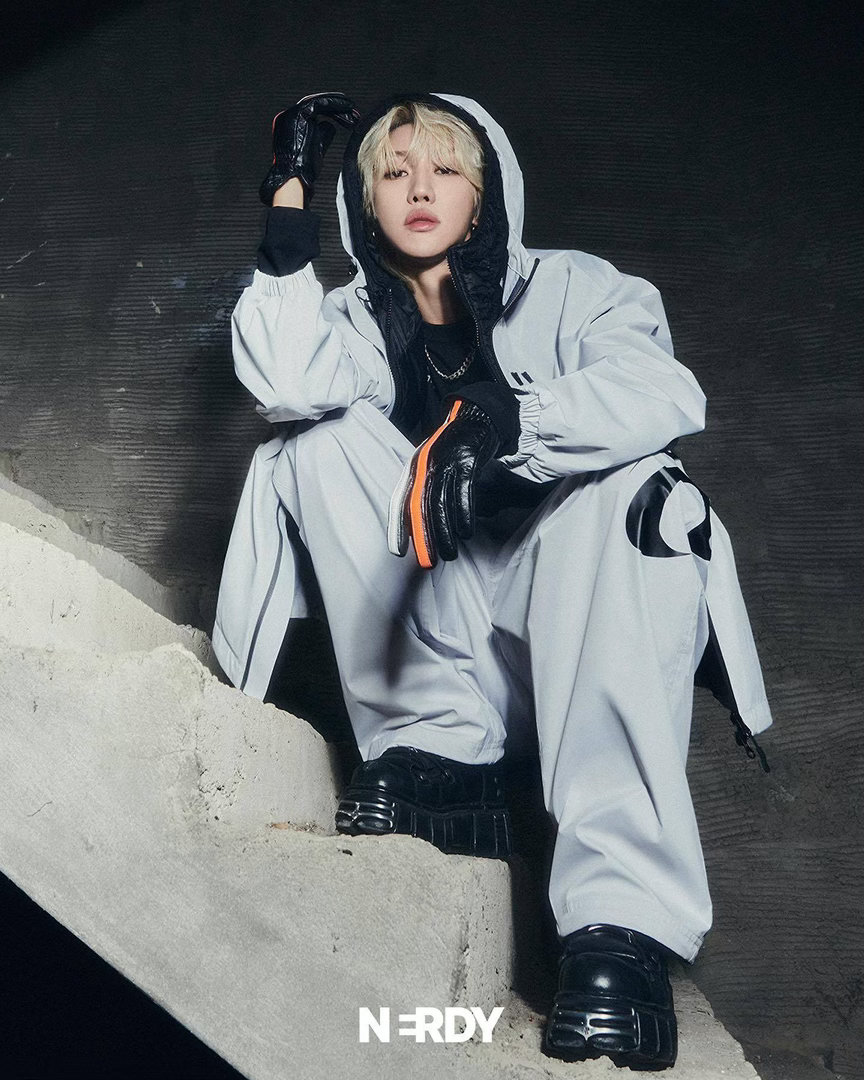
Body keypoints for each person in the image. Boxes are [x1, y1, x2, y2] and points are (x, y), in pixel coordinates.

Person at [212, 90, 772, 1069]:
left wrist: (512, 423)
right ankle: (441, 755)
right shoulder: (352, 321)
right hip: (442, 646)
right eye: (393, 172)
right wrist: (288, 193)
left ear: (487, 193)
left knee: (638, 483)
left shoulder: (580, 288)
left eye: (447, 169)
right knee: (315, 439)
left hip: (577, 630)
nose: (420, 189)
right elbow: (284, 381)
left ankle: (618, 931)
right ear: (366, 201)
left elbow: (661, 391)